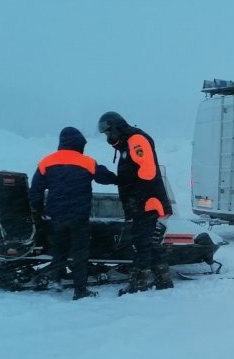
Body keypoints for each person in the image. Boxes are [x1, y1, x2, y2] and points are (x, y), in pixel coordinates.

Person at [29, 126, 117, 300]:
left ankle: (56, 280)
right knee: (80, 253)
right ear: (80, 144)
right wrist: (119, 178)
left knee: (59, 249)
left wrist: (37, 211)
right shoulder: (87, 162)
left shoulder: (46, 161)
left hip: (56, 216)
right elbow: (105, 177)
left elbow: (36, 190)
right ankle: (80, 290)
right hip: (79, 217)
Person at [97, 111, 174, 294]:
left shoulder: (136, 139)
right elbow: (131, 174)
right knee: (151, 242)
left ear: (116, 128)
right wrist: (117, 180)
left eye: (109, 133)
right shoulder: (126, 144)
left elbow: (147, 172)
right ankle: (163, 279)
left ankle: (141, 281)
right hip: (142, 202)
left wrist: (134, 197)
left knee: (141, 242)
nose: (108, 137)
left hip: (147, 202)